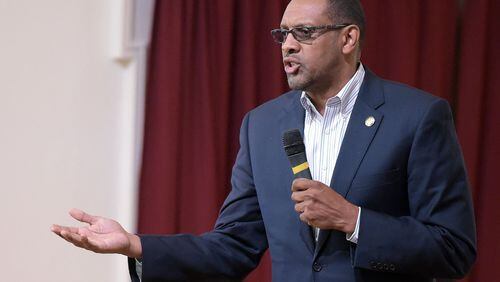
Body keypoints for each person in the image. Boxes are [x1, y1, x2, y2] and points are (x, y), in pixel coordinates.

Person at [51, 0, 477, 281]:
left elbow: (453, 249)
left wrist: (354, 220)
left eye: (304, 33)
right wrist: (137, 244)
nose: (288, 46)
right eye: (282, 35)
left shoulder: (417, 116)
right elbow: (234, 246)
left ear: (348, 38)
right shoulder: (263, 125)